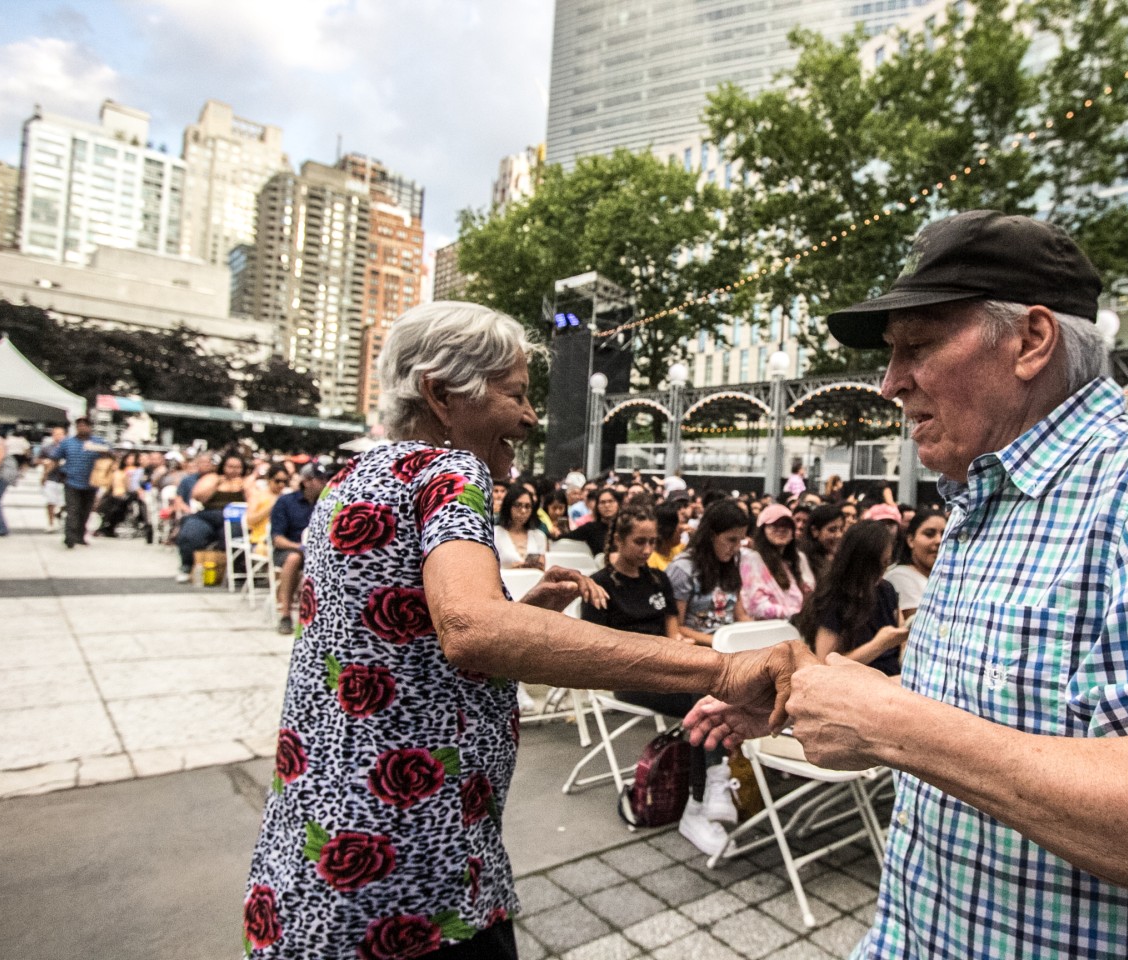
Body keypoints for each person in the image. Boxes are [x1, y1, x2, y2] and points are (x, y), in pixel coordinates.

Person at [688, 211, 1128, 957]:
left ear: (1031, 341)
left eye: (917, 346)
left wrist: (895, 726)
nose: (891, 383)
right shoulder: (979, 500)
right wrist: (835, 713)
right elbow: (978, 743)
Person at [244, 302, 809, 960]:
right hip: (413, 883)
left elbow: (406, 648)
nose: (532, 416)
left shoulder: (350, 480)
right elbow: (473, 632)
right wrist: (723, 671)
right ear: (440, 393)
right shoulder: (447, 472)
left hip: (312, 871)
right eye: (514, 394)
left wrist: (524, 616)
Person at [580, 505, 739, 855]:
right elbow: (598, 651)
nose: (648, 550)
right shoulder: (600, 585)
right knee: (703, 698)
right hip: (627, 677)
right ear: (618, 540)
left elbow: (671, 633)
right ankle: (703, 796)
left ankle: (708, 791)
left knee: (715, 690)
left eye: (653, 541)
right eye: (639, 541)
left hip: (664, 670)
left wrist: (677, 651)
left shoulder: (658, 578)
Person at [801, 520, 907, 675]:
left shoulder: (886, 589)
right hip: (853, 682)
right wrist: (879, 645)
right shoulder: (835, 599)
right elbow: (825, 665)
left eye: (886, 564)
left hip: (891, 679)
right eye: (877, 565)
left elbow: (900, 634)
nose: (882, 571)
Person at [666, 500, 753, 645]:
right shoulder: (683, 568)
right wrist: (719, 642)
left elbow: (740, 615)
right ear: (711, 535)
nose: (736, 547)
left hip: (730, 643)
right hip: (698, 648)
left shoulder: (732, 563)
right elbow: (677, 627)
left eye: (740, 540)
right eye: (731, 540)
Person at [174, 450, 252, 582]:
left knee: (234, 534)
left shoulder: (247, 482)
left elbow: (253, 501)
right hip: (208, 515)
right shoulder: (212, 478)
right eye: (230, 467)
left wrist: (243, 488)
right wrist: (217, 485)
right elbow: (198, 497)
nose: (234, 470)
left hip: (234, 518)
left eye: (238, 467)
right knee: (191, 532)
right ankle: (186, 565)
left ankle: (235, 568)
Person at [270, 463, 327, 635]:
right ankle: (286, 615)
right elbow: (277, 539)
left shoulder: (327, 502)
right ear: (307, 481)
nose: (325, 483)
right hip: (290, 549)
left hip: (318, 552)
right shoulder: (286, 502)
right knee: (293, 558)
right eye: (320, 479)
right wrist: (301, 547)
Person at [739, 503, 814, 621]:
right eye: (774, 525)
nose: (781, 529)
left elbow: (810, 592)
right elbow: (756, 606)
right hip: (768, 630)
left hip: (797, 628)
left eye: (786, 525)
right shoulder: (752, 560)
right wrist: (795, 614)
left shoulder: (798, 559)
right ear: (763, 529)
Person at [56, 418, 109, 549]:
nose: (82, 428)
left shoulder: (98, 442)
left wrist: (101, 450)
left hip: (91, 483)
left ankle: (80, 536)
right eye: (79, 426)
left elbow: (111, 455)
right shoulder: (67, 442)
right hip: (72, 481)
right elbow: (56, 457)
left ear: (90, 427)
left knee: (85, 511)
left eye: (85, 426)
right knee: (72, 510)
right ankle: (70, 537)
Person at [884, 508, 946, 619]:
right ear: (911, 540)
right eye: (929, 534)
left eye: (945, 535)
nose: (939, 541)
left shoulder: (949, 578)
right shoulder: (900, 576)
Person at [493, 484, 546, 569]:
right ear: (508, 506)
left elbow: (542, 568)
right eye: (518, 505)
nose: (523, 511)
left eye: (527, 506)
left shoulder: (539, 536)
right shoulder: (495, 534)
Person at [558, 485, 619, 557]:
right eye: (602, 502)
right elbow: (564, 537)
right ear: (597, 506)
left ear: (618, 504)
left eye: (611, 501)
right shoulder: (591, 528)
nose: (607, 505)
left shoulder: (626, 527)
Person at [799, 502, 845, 580]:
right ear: (815, 531)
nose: (839, 535)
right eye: (832, 530)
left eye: (841, 529)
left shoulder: (841, 558)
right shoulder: (803, 561)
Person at [38, 425, 67, 532]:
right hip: (51, 477)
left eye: (60, 434)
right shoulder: (47, 447)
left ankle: (59, 514)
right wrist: (44, 462)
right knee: (51, 501)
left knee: (66, 503)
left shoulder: (68, 447)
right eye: (56, 434)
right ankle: (50, 523)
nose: (58, 436)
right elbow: (37, 459)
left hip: (65, 478)